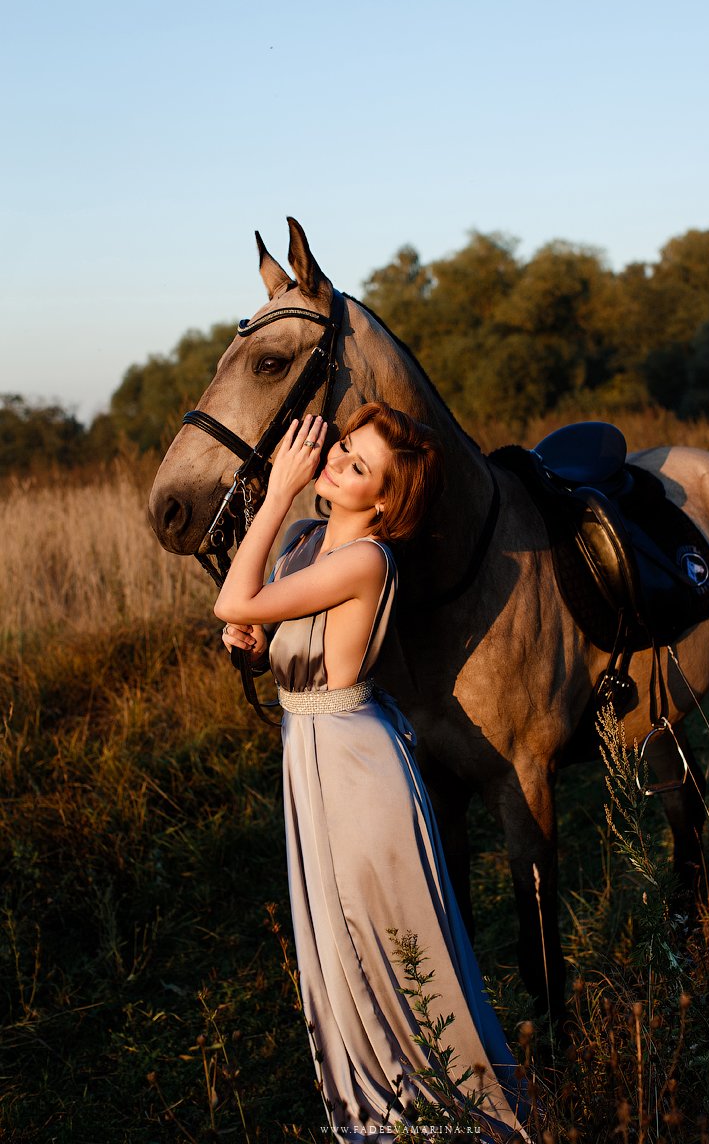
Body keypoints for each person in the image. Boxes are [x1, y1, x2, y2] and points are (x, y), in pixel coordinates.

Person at [214, 402, 530, 1139]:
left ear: (385, 501)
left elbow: (234, 595)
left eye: (359, 466)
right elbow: (265, 631)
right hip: (310, 748)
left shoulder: (366, 559)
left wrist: (276, 492)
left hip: (355, 764)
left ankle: (445, 1100)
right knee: (335, 933)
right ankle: (376, 1087)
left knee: (384, 932)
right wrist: (254, 648)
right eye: (344, 447)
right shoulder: (305, 543)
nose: (335, 462)